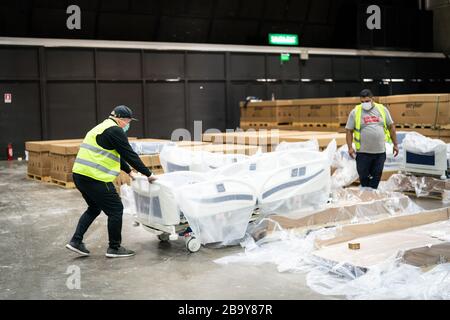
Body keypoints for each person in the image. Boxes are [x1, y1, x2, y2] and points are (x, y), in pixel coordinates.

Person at [66, 105, 157, 258]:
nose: (128, 124)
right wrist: (149, 174)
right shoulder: (115, 130)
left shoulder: (101, 127)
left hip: (80, 175)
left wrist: (129, 171)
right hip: (96, 178)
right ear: (122, 119)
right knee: (116, 209)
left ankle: (76, 241)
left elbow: (115, 153)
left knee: (94, 208)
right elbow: (129, 154)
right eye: (128, 121)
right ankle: (114, 247)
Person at [345, 89, 399, 189]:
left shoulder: (382, 109)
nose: (364, 104)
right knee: (364, 178)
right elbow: (349, 131)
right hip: (363, 153)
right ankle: (366, 196)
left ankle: (371, 196)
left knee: (376, 177)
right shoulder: (355, 112)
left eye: (367, 101)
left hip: (379, 152)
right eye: (362, 102)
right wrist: (350, 147)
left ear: (372, 99)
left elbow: (391, 127)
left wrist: (395, 144)